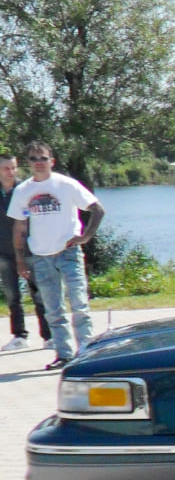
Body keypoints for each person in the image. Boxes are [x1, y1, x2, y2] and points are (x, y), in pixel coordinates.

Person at [7, 142, 104, 370]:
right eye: (33, 158)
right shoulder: (23, 191)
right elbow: (20, 227)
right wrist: (20, 260)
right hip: (41, 256)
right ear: (28, 163)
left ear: (52, 161)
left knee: (79, 304)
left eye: (42, 158)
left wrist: (86, 236)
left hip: (67, 252)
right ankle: (64, 354)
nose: (38, 162)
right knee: (53, 309)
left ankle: (86, 352)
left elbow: (97, 208)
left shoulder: (66, 184)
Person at [0, 153, 52, 352]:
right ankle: (20, 336)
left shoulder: (25, 190)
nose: (11, 172)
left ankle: (49, 336)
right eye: (6, 168)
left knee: (39, 294)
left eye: (13, 168)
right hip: (4, 252)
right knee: (12, 296)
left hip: (30, 249)